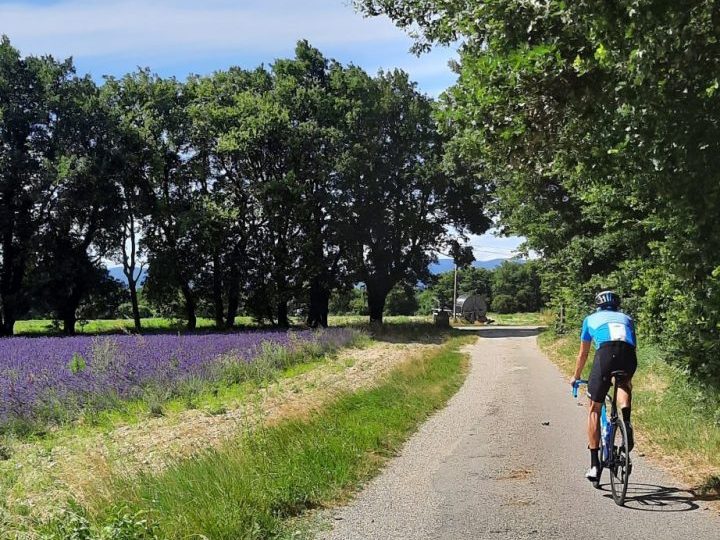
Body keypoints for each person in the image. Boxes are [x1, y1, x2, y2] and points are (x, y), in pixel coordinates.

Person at [570, 290, 637, 482]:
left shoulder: (590, 319)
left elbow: (583, 354)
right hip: (628, 355)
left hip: (606, 355)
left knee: (594, 409)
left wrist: (575, 376)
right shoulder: (627, 318)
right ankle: (626, 422)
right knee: (624, 383)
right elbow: (632, 345)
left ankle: (593, 465)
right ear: (617, 306)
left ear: (598, 305)